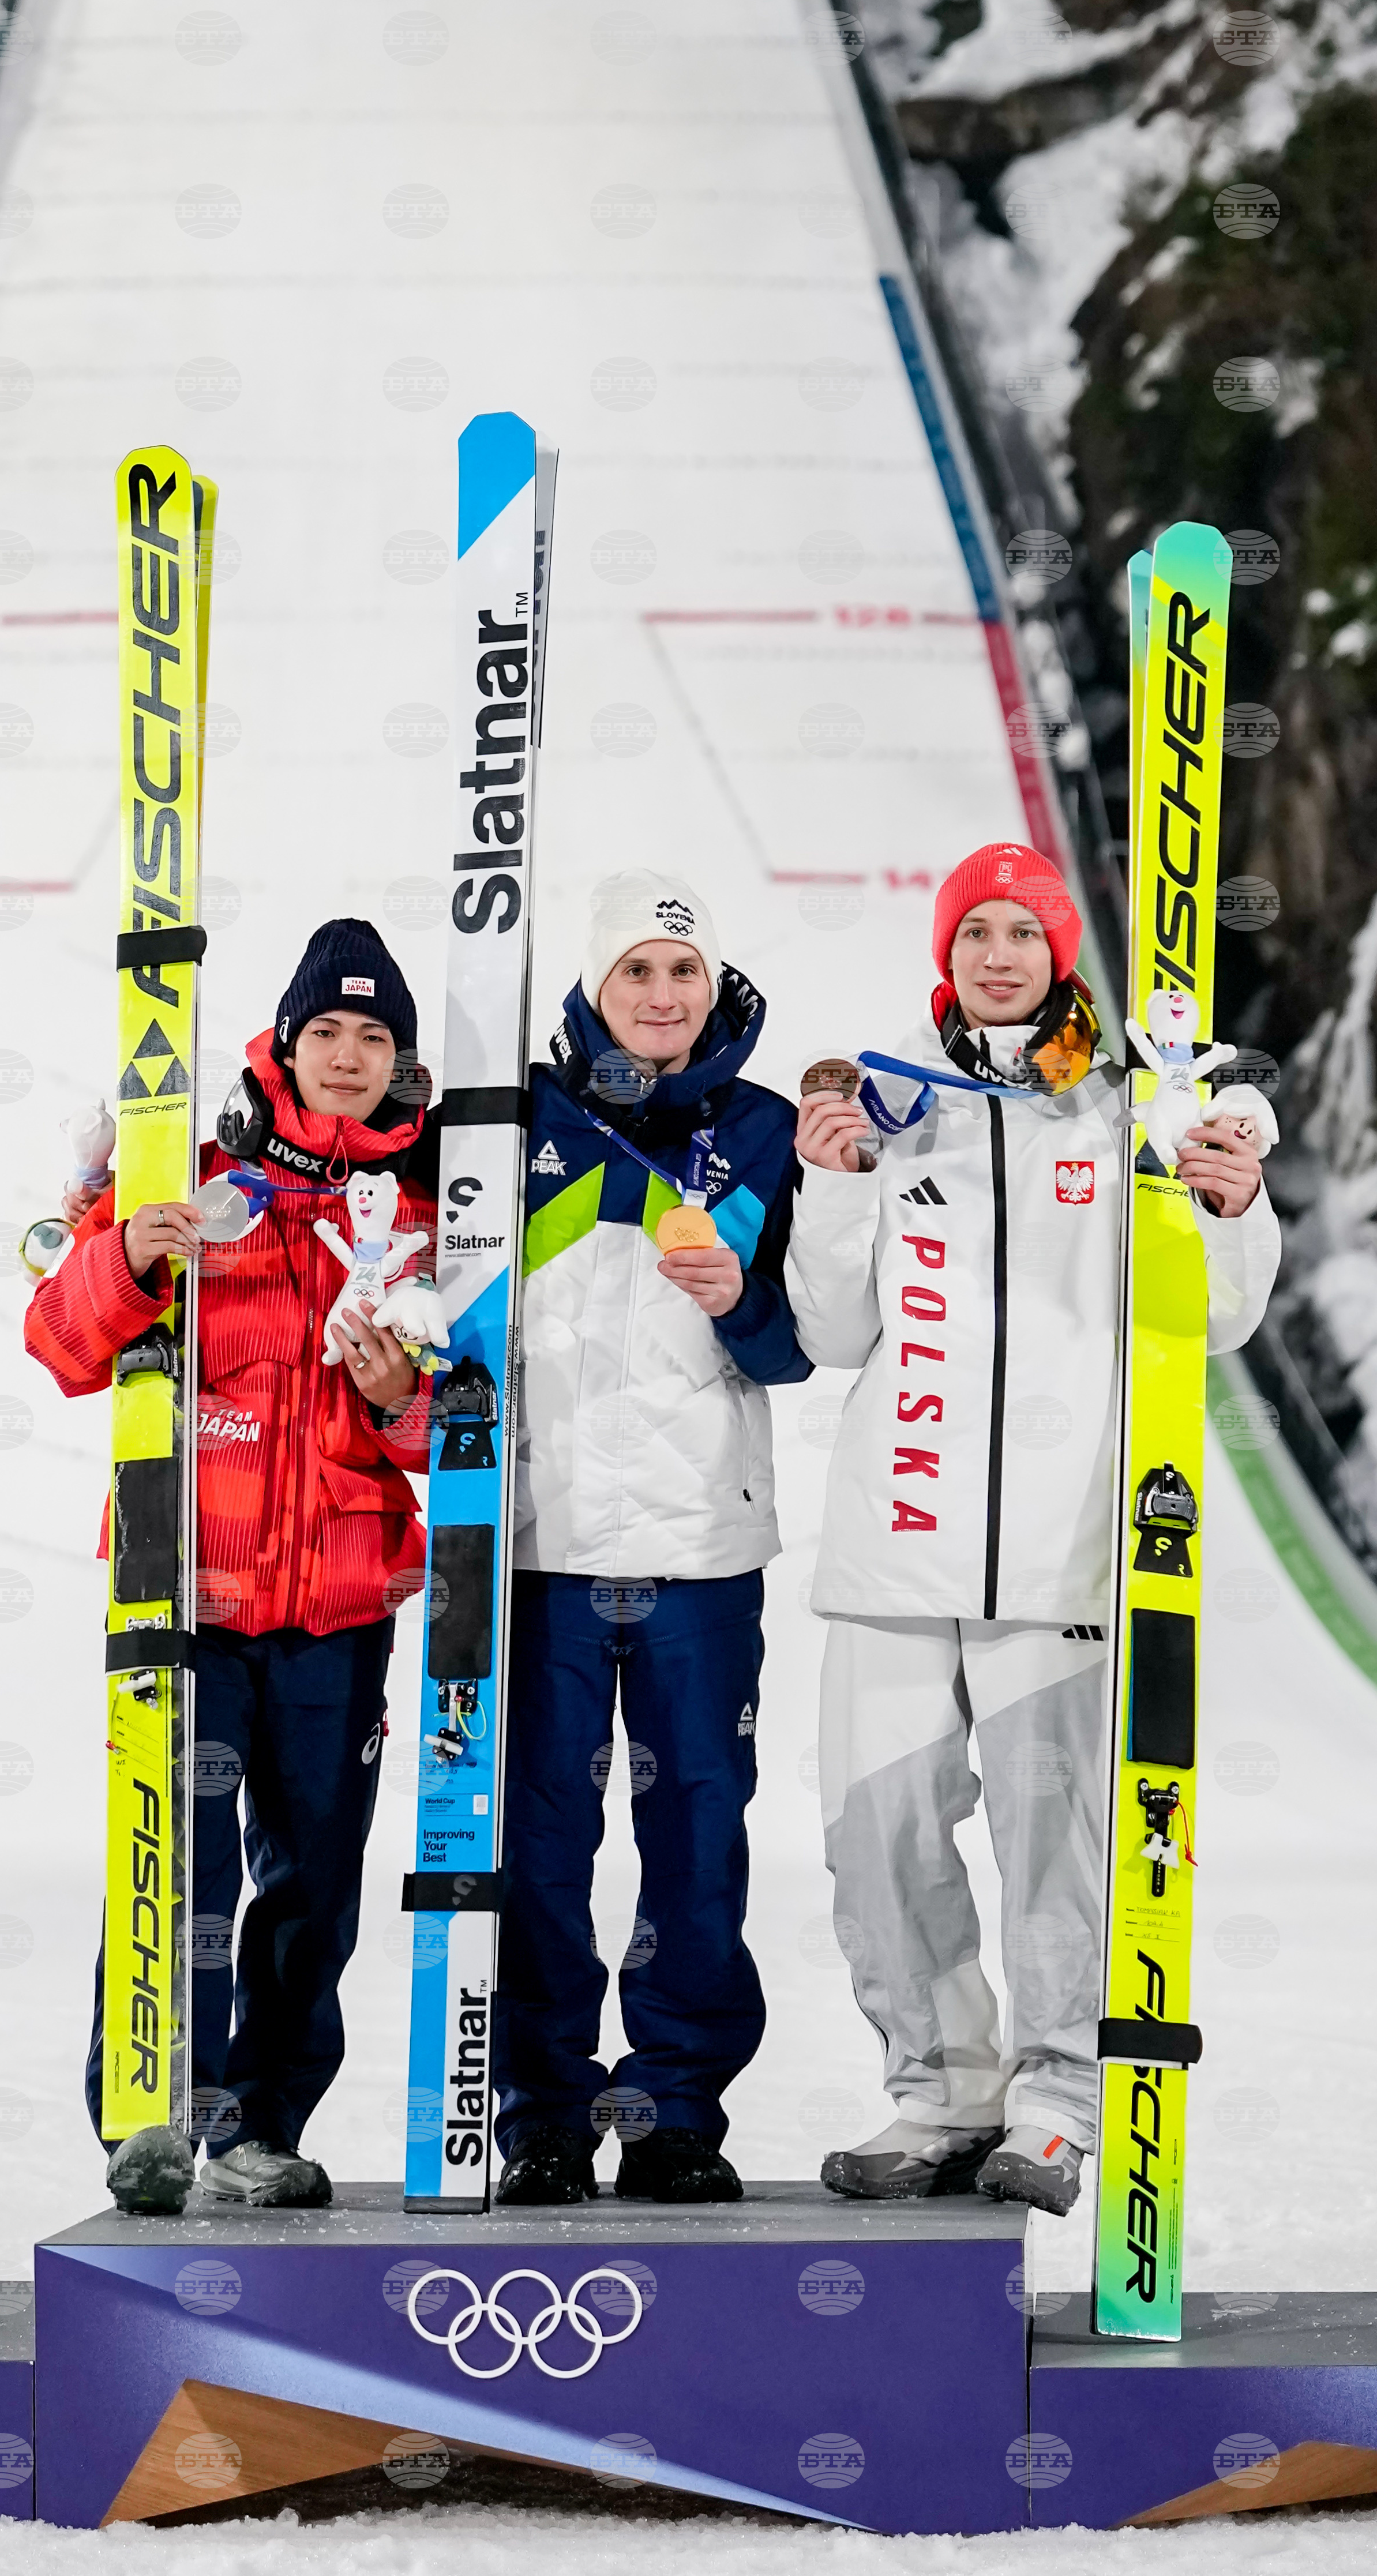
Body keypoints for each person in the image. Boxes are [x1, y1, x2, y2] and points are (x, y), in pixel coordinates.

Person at [787, 838, 1280, 2214]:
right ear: (943, 952)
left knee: (1051, 1839)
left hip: (1060, 1551)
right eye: (976, 930)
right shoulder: (889, 1099)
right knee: (878, 1838)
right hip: (895, 1536)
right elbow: (832, 1329)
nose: (998, 953)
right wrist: (832, 1185)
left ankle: (1060, 2093)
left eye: (1023, 929)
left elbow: (1216, 1312)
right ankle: (937, 2088)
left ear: (1062, 948)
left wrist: (1232, 1205)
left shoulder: (1129, 1102)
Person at [25, 918, 436, 2213]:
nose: (351, 1056)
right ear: (286, 1042)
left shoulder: (425, 1209)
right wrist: (136, 1251)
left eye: (376, 1037)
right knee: (176, 1856)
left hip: (339, 1605)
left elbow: (462, 1424)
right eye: (329, 1031)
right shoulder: (191, 1174)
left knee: (315, 1879)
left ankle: (261, 2121)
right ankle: (150, 2108)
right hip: (189, 1592)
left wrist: (395, 1404)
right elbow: (62, 1337)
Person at [493, 871, 812, 2209]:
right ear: (595, 984)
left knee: (695, 1834)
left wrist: (743, 1300)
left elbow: (804, 1345)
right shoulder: (519, 1118)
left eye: (684, 972)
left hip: (698, 1546)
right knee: (542, 1839)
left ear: (715, 984)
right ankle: (544, 2113)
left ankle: (677, 2108)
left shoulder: (767, 1129)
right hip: (545, 1543)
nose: (664, 996)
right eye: (638, 972)